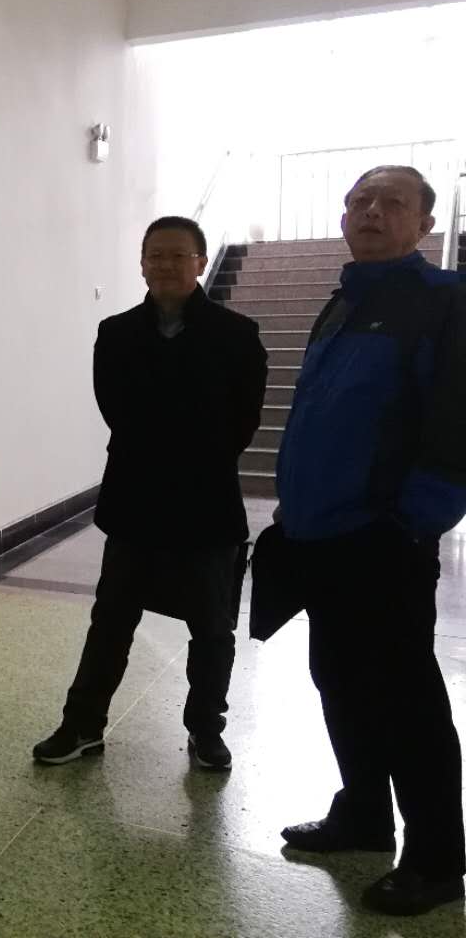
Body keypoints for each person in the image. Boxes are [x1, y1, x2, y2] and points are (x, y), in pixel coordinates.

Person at [273, 165, 466, 917]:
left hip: (383, 539)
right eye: (360, 201)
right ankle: (362, 813)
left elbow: (456, 426)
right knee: (339, 680)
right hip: (319, 534)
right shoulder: (343, 302)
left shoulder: (445, 302)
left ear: (424, 223)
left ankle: (437, 860)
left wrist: (414, 521)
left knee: (406, 700)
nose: (372, 212)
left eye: (392, 202)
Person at [33, 216, 267, 771]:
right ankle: (82, 725)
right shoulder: (116, 332)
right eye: (155, 255)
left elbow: (242, 423)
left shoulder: (237, 334)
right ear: (141, 263)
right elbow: (116, 410)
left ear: (200, 263)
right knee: (111, 621)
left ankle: (206, 730)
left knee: (212, 629)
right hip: (135, 503)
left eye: (178, 255)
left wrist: (182, 444)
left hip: (206, 504)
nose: (165, 264)